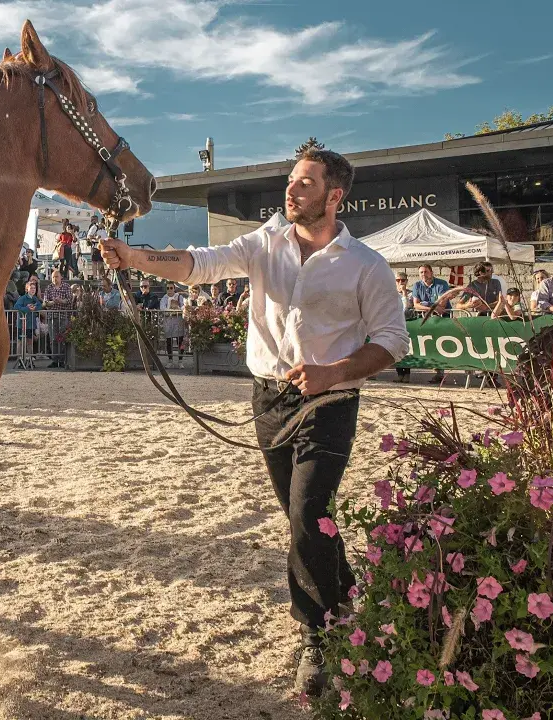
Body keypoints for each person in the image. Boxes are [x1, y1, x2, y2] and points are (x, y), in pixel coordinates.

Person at [101, 147, 409, 697]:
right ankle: (345, 590)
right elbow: (202, 263)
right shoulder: (265, 241)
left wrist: (333, 371)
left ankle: (315, 634)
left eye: (306, 184)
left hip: (330, 402)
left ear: (334, 196)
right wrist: (136, 257)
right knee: (303, 517)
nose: (291, 191)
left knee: (307, 511)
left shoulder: (366, 264)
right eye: (292, 181)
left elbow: (392, 342)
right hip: (267, 398)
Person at [411, 264, 449, 384]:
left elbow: (442, 304)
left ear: (431, 273)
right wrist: (431, 307)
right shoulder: (417, 285)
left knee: (441, 344)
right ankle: (436, 371)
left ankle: (441, 372)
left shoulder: (441, 284)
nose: (423, 274)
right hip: (425, 318)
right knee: (429, 344)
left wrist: (426, 305)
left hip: (442, 318)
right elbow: (416, 305)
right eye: (421, 272)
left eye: (426, 272)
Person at [13, 278, 43, 367]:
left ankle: (30, 359)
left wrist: (35, 308)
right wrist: (27, 308)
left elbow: (39, 305)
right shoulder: (22, 298)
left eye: (34, 288)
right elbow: (16, 307)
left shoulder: (34, 298)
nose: (33, 290)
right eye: (31, 288)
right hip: (21, 324)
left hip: (30, 324)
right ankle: (19, 360)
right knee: (20, 341)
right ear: (27, 289)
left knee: (30, 342)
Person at [160, 282, 187, 362]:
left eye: (171, 288)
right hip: (168, 322)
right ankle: (170, 360)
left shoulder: (179, 297)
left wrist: (178, 308)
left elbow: (183, 306)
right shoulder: (164, 298)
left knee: (180, 341)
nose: (169, 290)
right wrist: (171, 310)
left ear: (174, 288)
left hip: (178, 321)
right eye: (168, 288)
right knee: (169, 342)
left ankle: (180, 360)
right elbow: (162, 308)